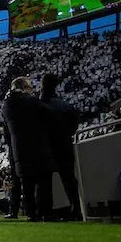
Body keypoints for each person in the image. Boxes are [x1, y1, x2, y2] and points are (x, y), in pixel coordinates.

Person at [2, 77, 55, 222]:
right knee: (44, 182)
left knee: (27, 185)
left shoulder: (6, 105)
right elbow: (50, 114)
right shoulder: (31, 101)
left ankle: (32, 214)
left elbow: (6, 132)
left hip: (19, 149)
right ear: (25, 87)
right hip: (38, 147)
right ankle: (46, 213)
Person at [41, 73, 82, 220]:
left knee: (44, 181)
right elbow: (75, 122)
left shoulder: (41, 104)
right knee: (69, 179)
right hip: (65, 145)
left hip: (47, 147)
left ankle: (47, 212)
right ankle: (76, 209)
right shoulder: (66, 106)